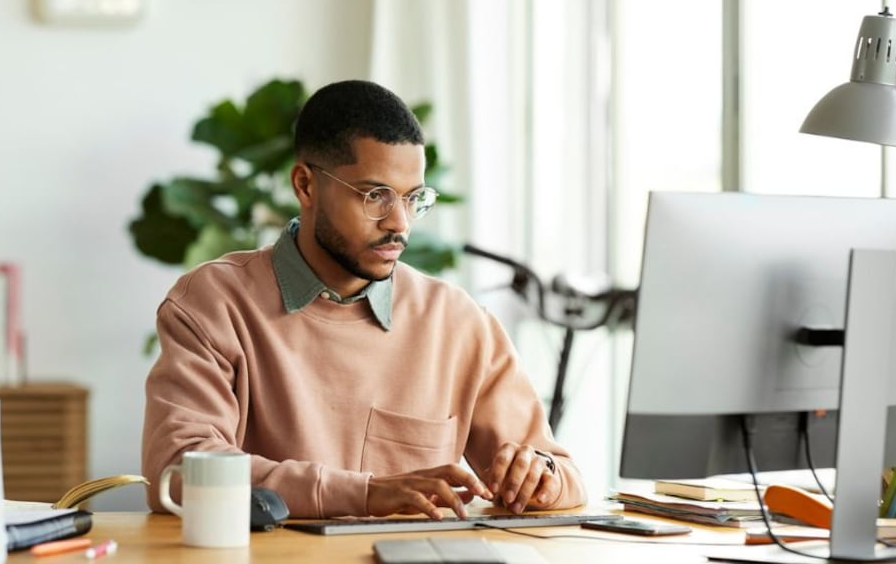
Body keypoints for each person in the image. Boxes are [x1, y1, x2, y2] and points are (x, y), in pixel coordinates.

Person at [142, 80, 586, 520]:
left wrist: (539, 476)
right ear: (305, 185)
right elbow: (179, 473)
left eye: (413, 199)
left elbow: (564, 475)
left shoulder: (458, 322)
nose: (400, 224)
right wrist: (366, 494)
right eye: (376, 196)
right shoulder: (213, 304)